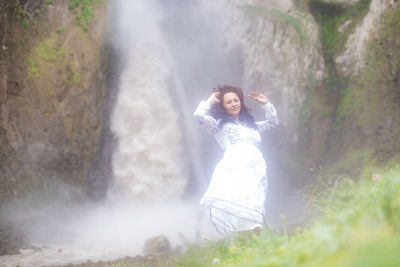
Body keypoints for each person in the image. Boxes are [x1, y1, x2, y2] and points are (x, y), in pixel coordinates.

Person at [193, 84, 278, 235]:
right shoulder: (218, 126)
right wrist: (211, 100)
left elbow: (272, 122)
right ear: (223, 106)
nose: (233, 104)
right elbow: (198, 115)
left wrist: (266, 104)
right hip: (235, 169)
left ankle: (252, 243)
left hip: (256, 171)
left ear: (241, 102)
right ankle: (242, 242)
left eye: (236, 100)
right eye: (229, 102)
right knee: (240, 205)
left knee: (254, 206)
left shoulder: (252, 126)